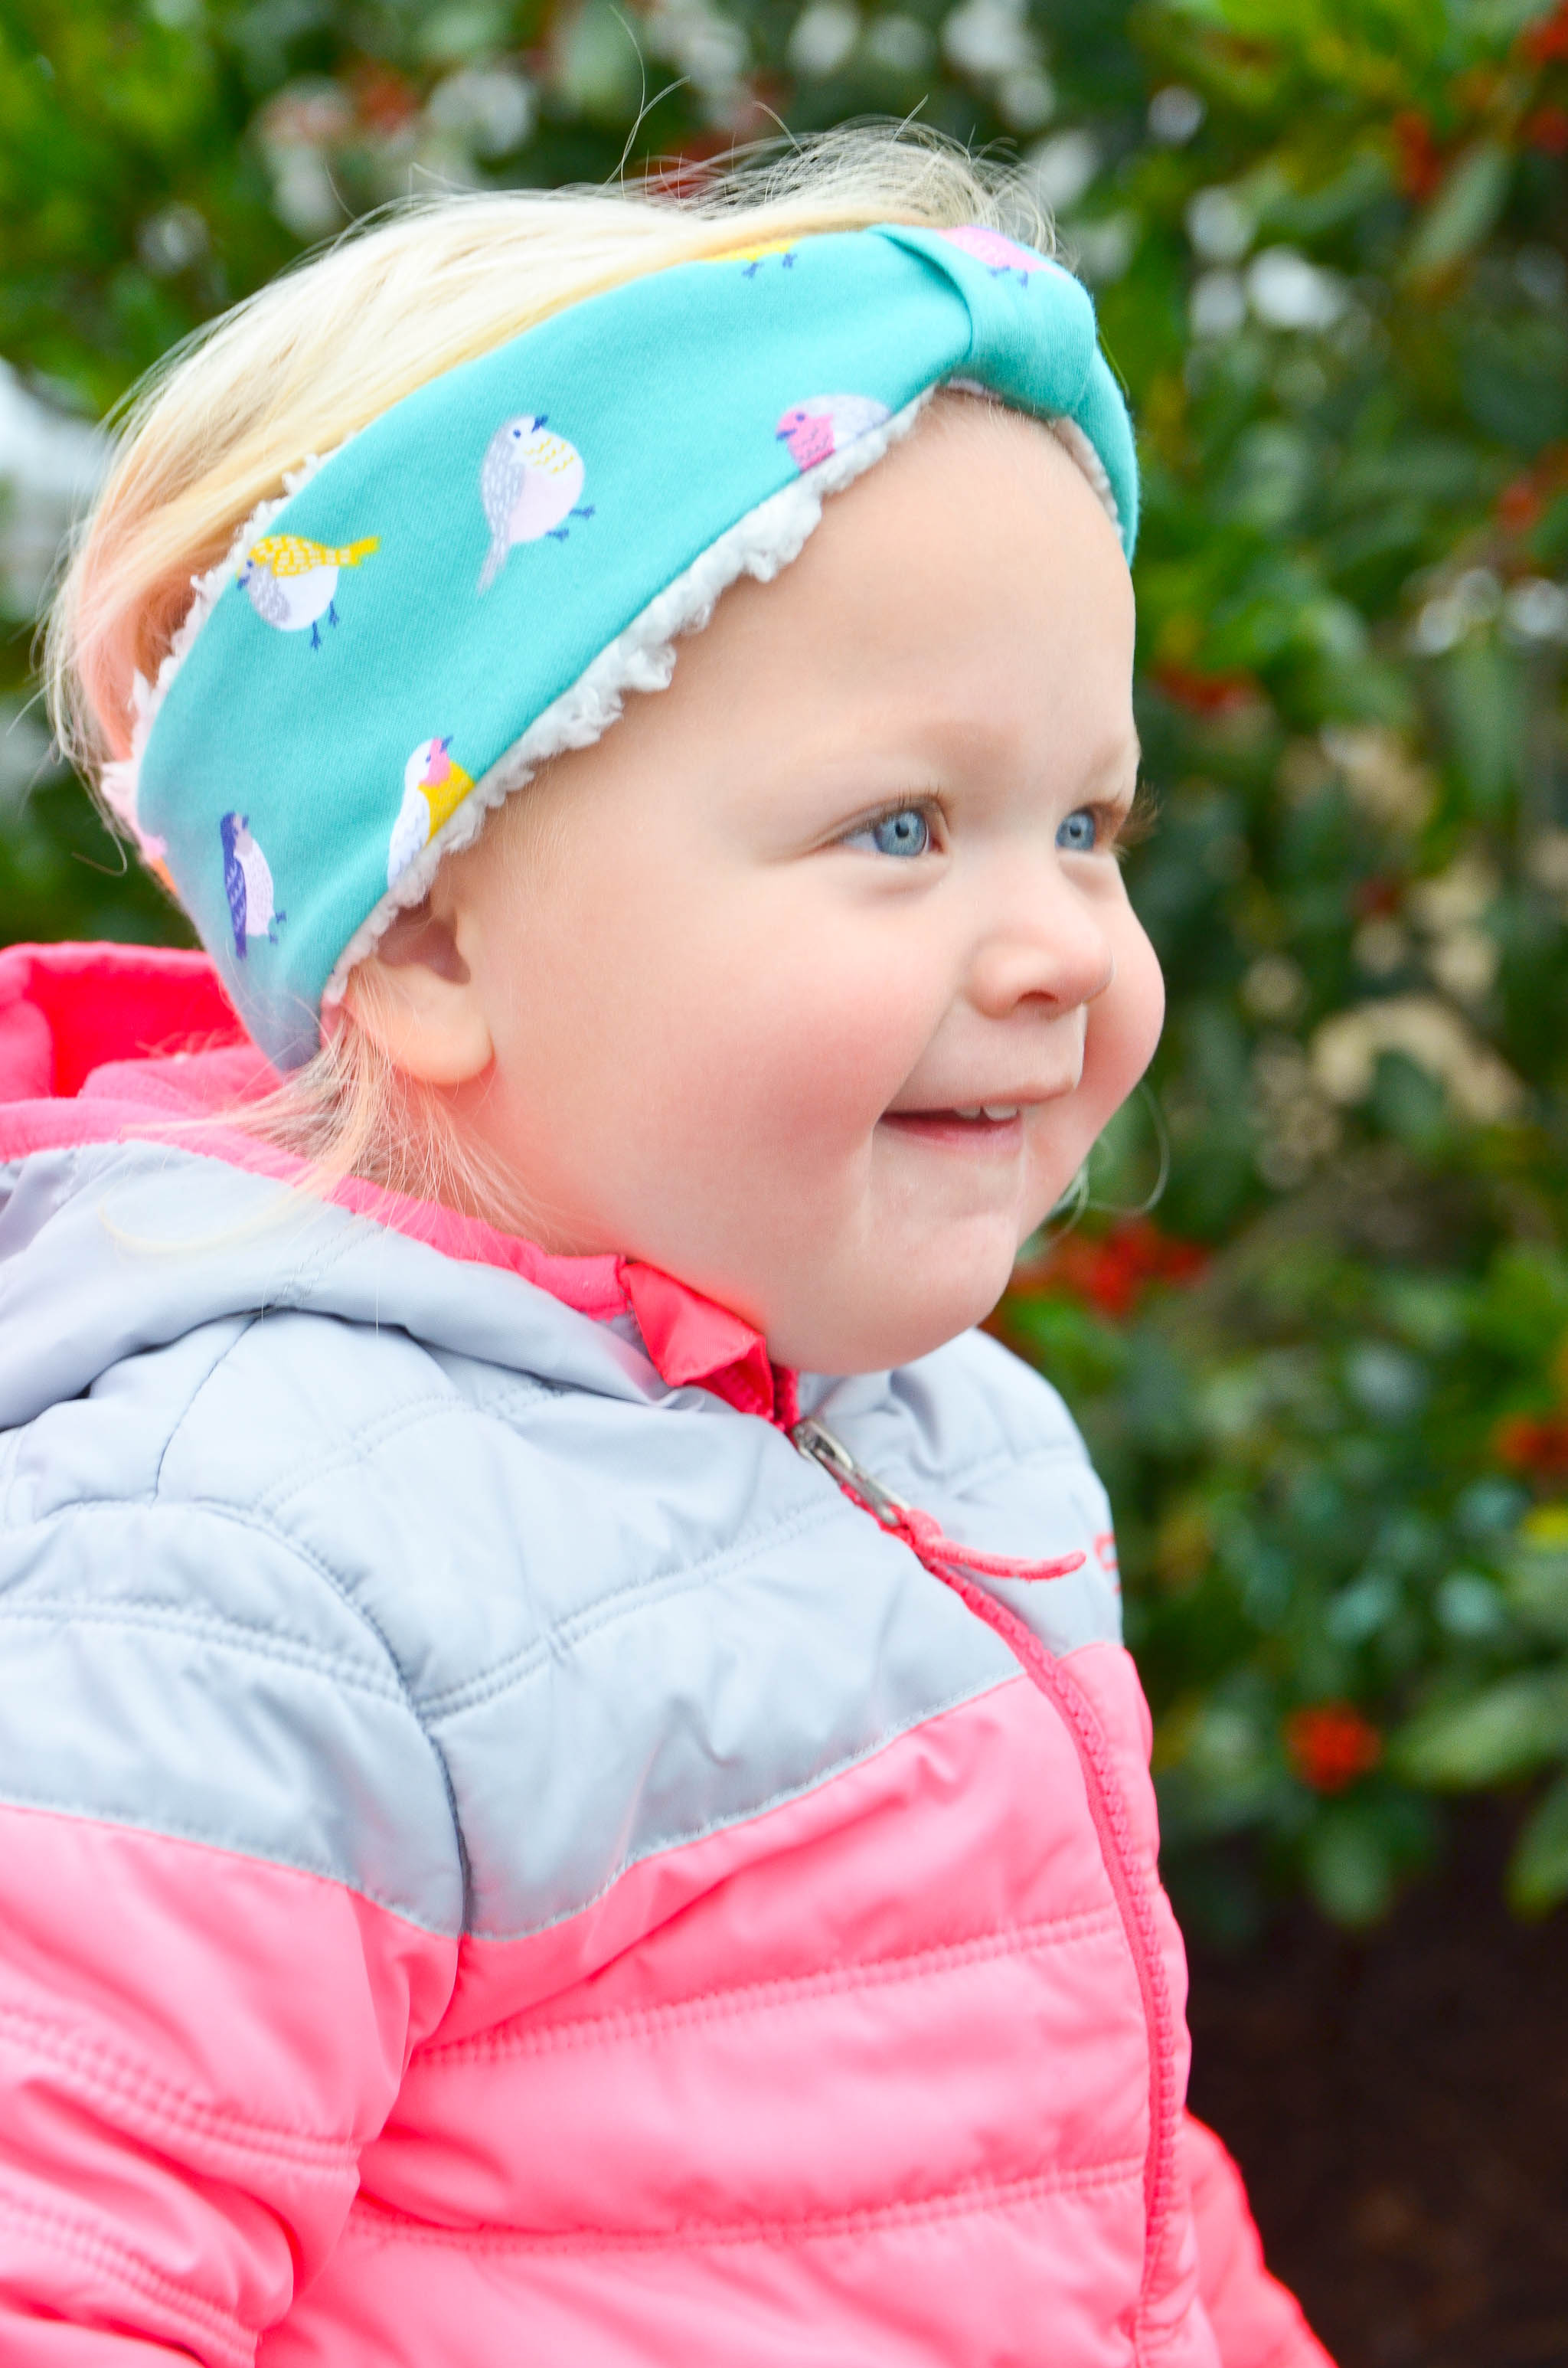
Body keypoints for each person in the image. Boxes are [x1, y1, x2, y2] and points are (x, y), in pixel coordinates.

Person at [0, 128, 1332, 2365]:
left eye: (1083, 821)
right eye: (901, 824)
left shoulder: (941, 1431)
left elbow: (1089, 2153)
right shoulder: (240, 1561)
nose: (1057, 942)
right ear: (424, 940)